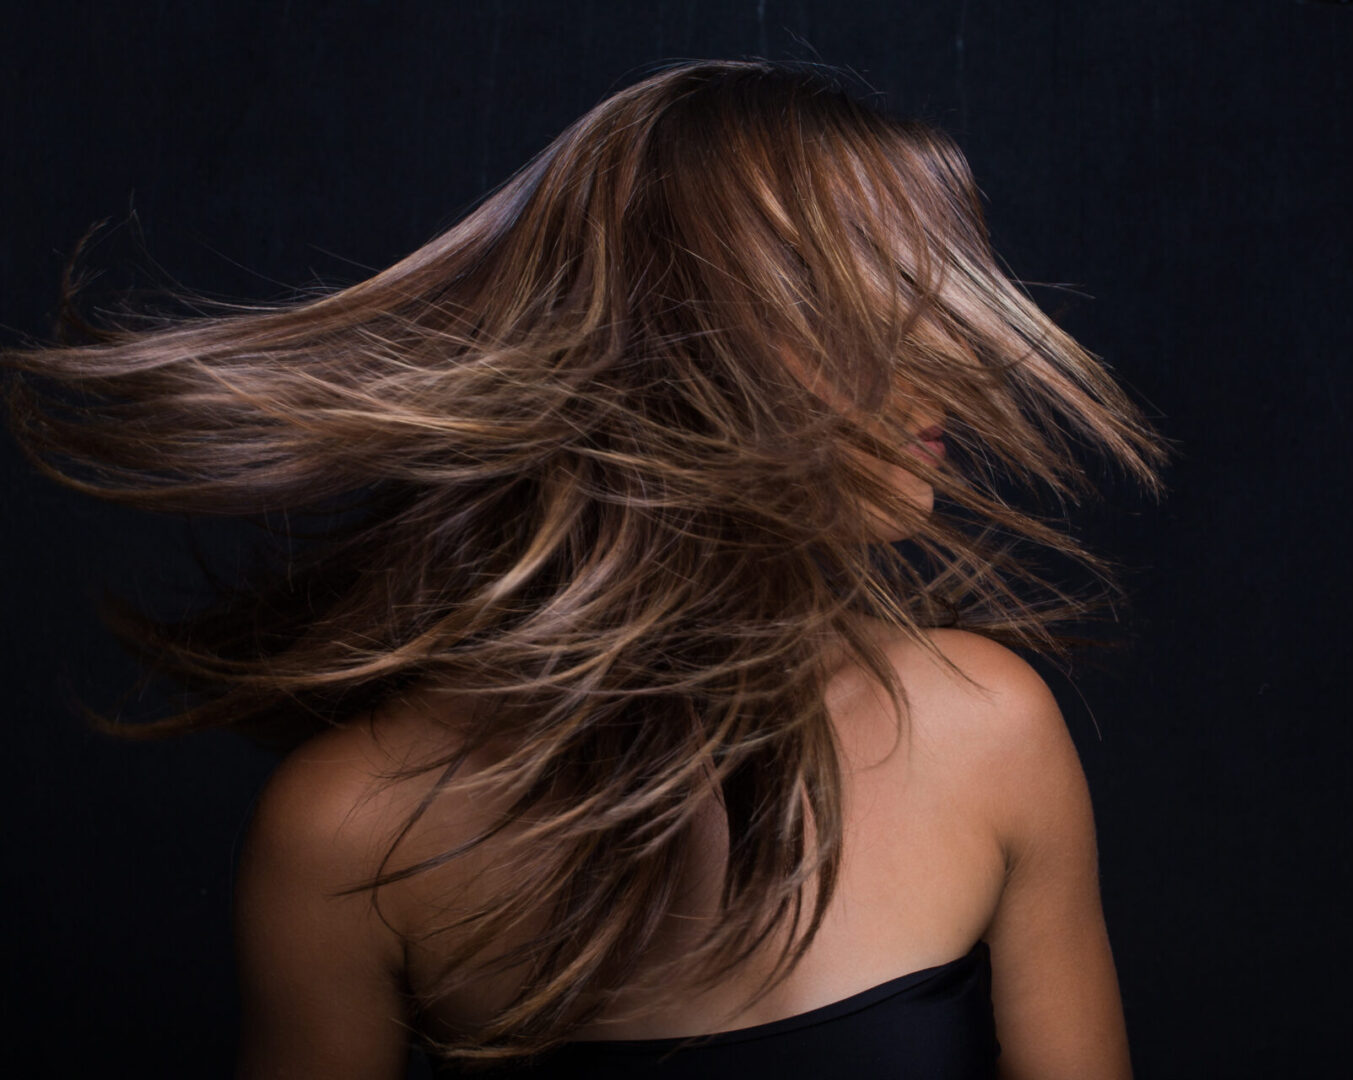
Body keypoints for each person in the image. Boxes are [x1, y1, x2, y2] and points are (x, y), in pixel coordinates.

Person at [2, 59, 1168, 1078]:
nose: (949, 367)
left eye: (941, 301)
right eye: (865, 311)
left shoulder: (986, 730)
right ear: (671, 357)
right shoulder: (351, 833)